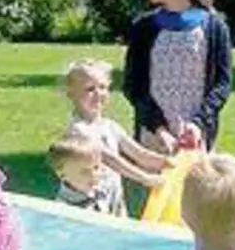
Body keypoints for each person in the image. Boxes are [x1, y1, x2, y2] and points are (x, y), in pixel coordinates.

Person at [123, 0, 233, 154]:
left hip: (196, 139)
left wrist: (198, 124)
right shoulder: (144, 28)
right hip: (153, 140)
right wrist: (158, 128)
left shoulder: (214, 27)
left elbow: (222, 84)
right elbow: (133, 86)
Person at [63, 58, 171, 200]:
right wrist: (145, 178)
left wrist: (168, 162)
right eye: (90, 89)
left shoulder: (110, 126)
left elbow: (140, 154)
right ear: (71, 94)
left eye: (102, 87)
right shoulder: (79, 130)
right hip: (86, 200)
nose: (98, 94)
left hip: (112, 194)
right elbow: (110, 159)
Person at [47, 136, 124, 216]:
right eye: (85, 172)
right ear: (62, 174)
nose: (93, 174)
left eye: (96, 167)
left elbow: (119, 208)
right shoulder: (64, 209)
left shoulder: (106, 187)